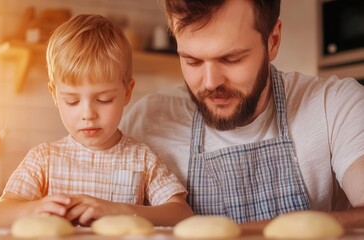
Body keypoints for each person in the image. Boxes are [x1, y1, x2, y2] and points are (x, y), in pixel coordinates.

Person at [120, 0, 364, 227]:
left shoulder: (334, 105)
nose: (210, 82)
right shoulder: (147, 121)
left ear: (273, 40)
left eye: (231, 59)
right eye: (192, 61)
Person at [0, 14, 193, 227]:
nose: (88, 114)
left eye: (104, 99)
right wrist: (32, 209)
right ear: (54, 95)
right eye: (72, 100)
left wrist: (121, 210)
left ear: (127, 93)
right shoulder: (43, 159)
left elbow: (182, 214)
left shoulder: (142, 158)